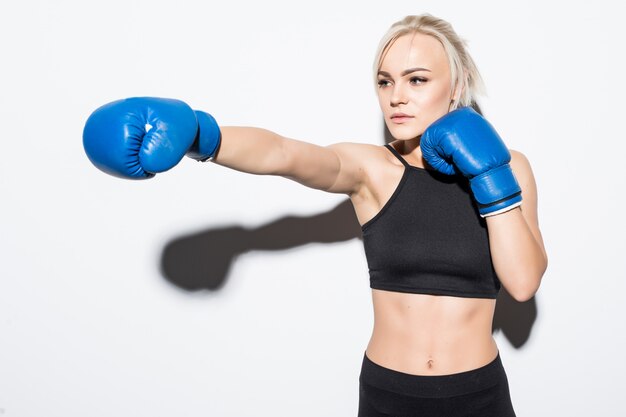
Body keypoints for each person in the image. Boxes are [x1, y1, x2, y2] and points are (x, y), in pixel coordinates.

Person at [82, 13, 548, 417]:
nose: (396, 96)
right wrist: (203, 135)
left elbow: (523, 283)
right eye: (385, 81)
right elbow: (287, 154)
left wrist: (491, 177)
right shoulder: (374, 170)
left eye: (417, 79)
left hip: (477, 395)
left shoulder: (512, 165)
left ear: (457, 86)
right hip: (390, 394)